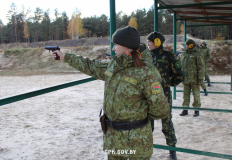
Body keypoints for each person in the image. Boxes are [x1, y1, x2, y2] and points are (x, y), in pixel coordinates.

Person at [52, 26, 170, 160]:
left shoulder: (146, 71)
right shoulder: (114, 65)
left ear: (126, 46)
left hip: (137, 141)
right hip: (113, 139)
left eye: (116, 45)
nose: (113, 48)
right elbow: (91, 66)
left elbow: (160, 109)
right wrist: (65, 57)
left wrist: (138, 118)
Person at [147, 31, 184, 160]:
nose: (148, 44)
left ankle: (172, 150)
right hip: (148, 96)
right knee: (147, 123)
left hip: (163, 94)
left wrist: (167, 84)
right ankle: (146, 150)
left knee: (166, 123)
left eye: (150, 42)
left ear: (157, 42)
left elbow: (180, 75)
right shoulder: (145, 56)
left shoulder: (169, 56)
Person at [180, 39, 205, 117]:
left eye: (186, 45)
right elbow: (180, 66)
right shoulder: (183, 54)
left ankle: (197, 110)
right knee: (185, 95)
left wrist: (200, 79)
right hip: (186, 79)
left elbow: (201, 67)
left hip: (195, 79)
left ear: (191, 45)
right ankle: (185, 109)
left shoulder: (198, 54)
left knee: (196, 95)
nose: (185, 46)